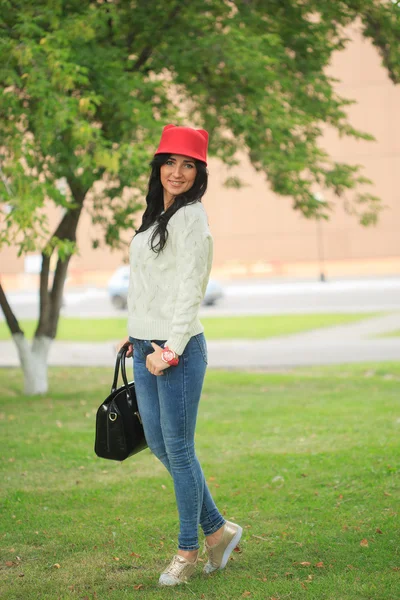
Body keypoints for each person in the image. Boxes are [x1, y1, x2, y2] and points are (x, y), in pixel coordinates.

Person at [117, 124, 242, 586]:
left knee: (181, 451)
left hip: (178, 351)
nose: (177, 171)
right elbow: (154, 285)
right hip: (148, 345)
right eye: (170, 162)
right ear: (159, 166)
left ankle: (188, 551)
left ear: (199, 173)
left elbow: (191, 287)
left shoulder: (192, 217)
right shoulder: (157, 214)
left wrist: (170, 349)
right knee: (159, 444)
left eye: (188, 165)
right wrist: (137, 336)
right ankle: (219, 530)